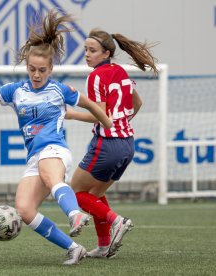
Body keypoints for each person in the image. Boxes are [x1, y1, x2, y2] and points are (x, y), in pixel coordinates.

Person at [0, 11, 112, 265]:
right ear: (26, 67)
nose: (36, 74)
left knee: (51, 175)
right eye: (32, 69)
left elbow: (91, 105)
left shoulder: (60, 90)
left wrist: (108, 122)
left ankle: (75, 214)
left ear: (51, 69)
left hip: (55, 149)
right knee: (24, 209)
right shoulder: (15, 91)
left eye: (42, 70)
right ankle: (73, 248)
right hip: (35, 156)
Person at [66, 28, 159, 258]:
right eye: (86, 49)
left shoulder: (96, 76)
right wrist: (122, 123)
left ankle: (117, 221)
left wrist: (72, 114)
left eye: (92, 50)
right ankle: (105, 245)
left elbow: (101, 115)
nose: (87, 54)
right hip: (127, 144)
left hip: (107, 144)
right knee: (94, 195)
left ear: (106, 53)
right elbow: (138, 102)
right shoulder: (120, 71)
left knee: (75, 192)